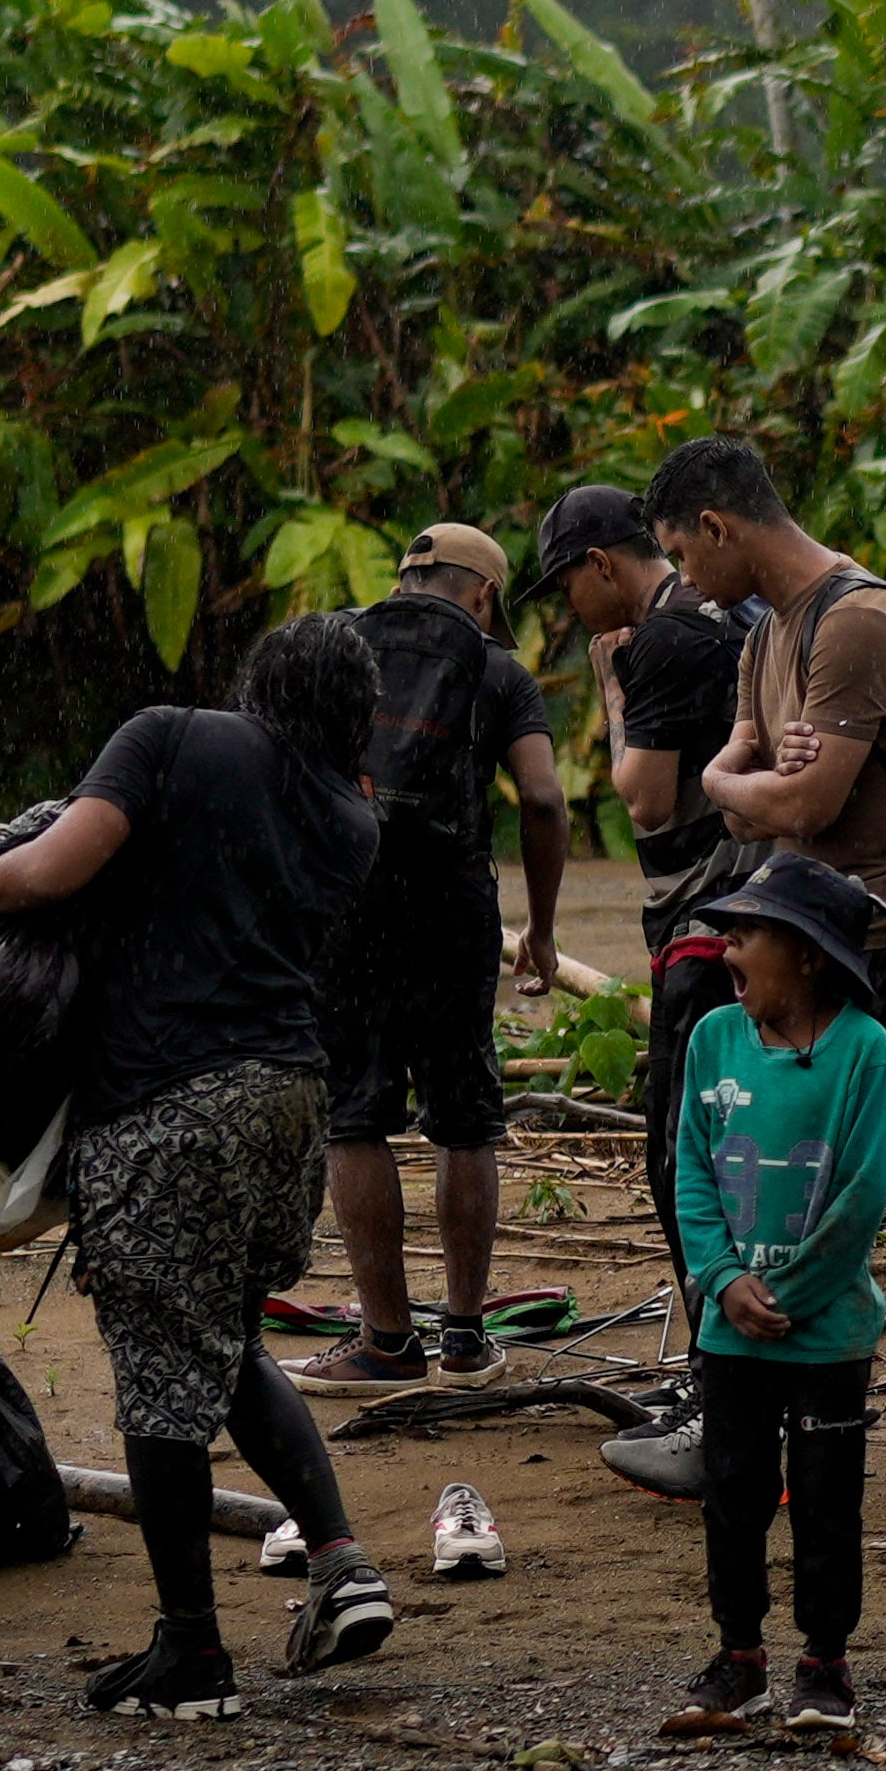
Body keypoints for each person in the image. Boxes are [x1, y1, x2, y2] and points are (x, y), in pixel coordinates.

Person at [0, 613, 402, 1711]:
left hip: (170, 1103)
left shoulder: (173, 736)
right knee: (221, 1336)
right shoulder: (353, 814)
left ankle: (192, 1652)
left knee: (160, 1363)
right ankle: (340, 1562)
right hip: (291, 1099)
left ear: (258, 677)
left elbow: (46, 875)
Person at [652, 440, 886, 1354]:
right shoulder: (766, 632)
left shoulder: (855, 622)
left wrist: (736, 786)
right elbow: (745, 784)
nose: (684, 577)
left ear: (717, 526)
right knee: (794, 1169)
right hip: (814, 945)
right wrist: (737, 784)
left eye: (682, 553)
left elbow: (799, 801)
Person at [657, 848, 886, 1749]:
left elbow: (862, 1192)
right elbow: (689, 1168)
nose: (726, 948)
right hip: (732, 1332)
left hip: (826, 1329)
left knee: (828, 1496)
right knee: (732, 1490)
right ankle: (740, 1657)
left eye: (745, 933)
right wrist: (724, 1284)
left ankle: (825, 1662)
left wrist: (787, 1294)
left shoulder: (863, 1052)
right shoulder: (713, 1039)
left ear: (805, 953)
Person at [543, 475, 761, 1496]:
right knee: (721, 1145)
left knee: (682, 1152)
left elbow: (642, 793)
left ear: (601, 564)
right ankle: (732, 1379)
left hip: (705, 922)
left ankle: (727, 1394)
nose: (569, 612)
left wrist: (611, 685)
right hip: (744, 913)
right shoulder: (723, 617)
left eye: (567, 586)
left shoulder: (667, 638)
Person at [318, 522, 550, 1383]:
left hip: (351, 906)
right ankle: (461, 1337)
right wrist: (546, 929)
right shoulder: (497, 671)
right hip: (454, 911)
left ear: (404, 578)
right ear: (485, 594)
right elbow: (545, 799)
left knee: (354, 1115)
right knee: (463, 1119)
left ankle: (385, 1342)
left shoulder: (340, 652)